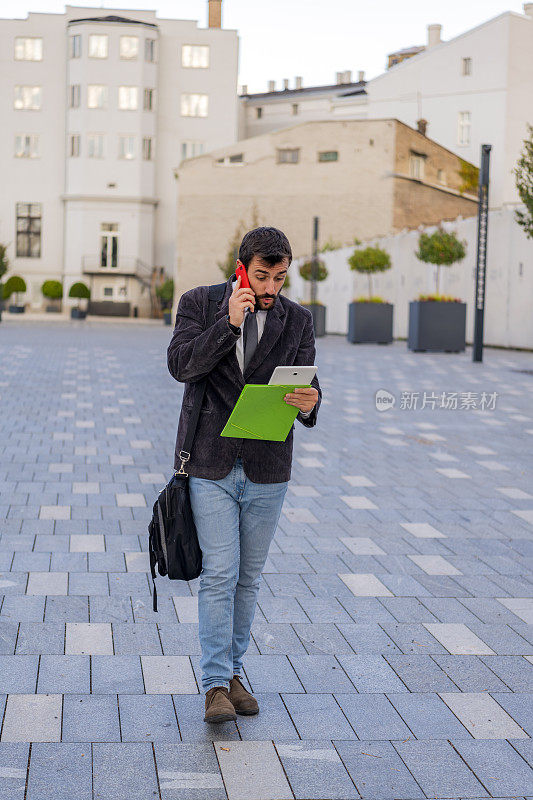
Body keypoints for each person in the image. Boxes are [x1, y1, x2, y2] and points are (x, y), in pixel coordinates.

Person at [167, 226, 322, 723]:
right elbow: (181, 366)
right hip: (209, 462)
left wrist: (311, 402)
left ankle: (233, 673)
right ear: (242, 269)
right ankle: (214, 684)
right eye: (262, 276)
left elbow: (307, 383)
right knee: (220, 573)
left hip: (267, 468)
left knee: (248, 580)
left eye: (280, 277)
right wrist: (227, 326)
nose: (272, 288)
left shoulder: (298, 319)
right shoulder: (198, 302)